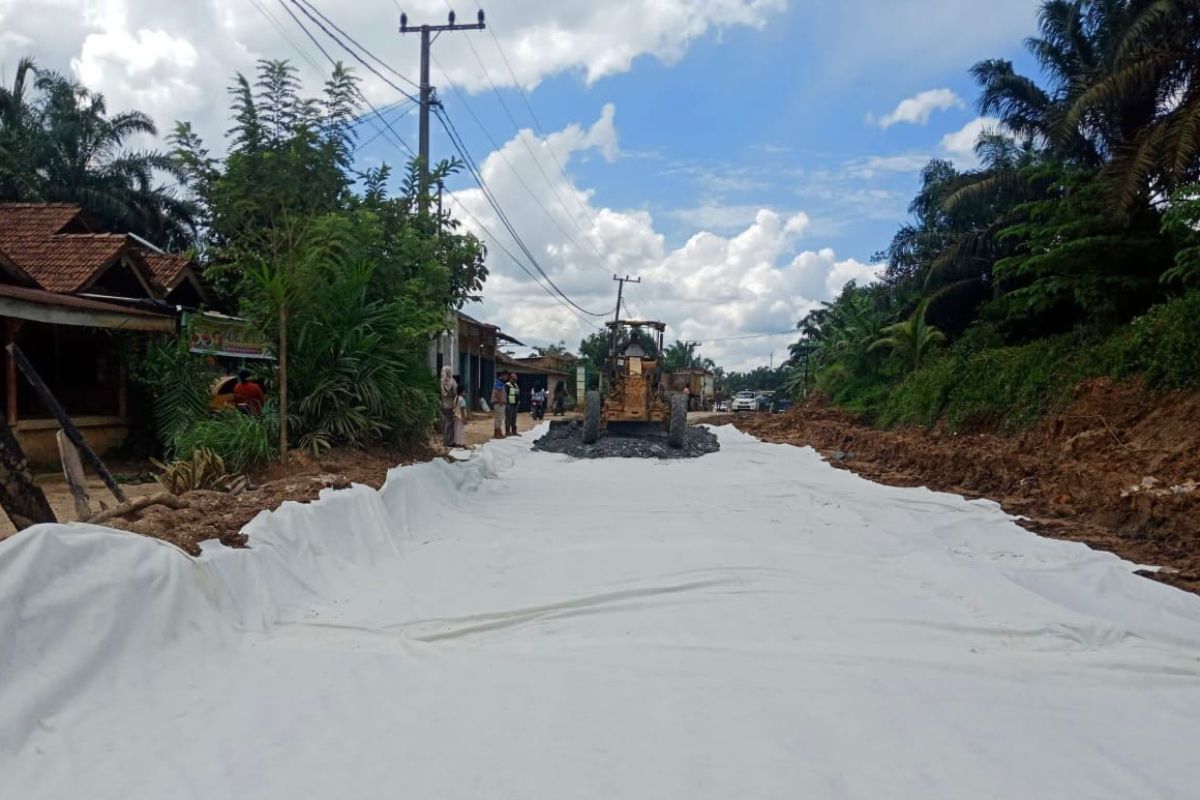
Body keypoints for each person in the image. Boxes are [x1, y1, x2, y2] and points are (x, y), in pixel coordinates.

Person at [439, 366, 457, 448]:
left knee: (445, 422)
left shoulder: (442, 382)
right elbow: (455, 393)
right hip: (451, 405)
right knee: (450, 423)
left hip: (443, 404)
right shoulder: (452, 382)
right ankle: (448, 442)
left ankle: (445, 440)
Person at [491, 371, 508, 439]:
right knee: (498, 418)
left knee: (500, 418)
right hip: (498, 403)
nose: (506, 378)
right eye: (506, 376)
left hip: (500, 402)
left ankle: (499, 433)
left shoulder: (500, 382)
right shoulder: (498, 382)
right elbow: (497, 392)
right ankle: (497, 434)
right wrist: (500, 400)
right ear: (503, 375)